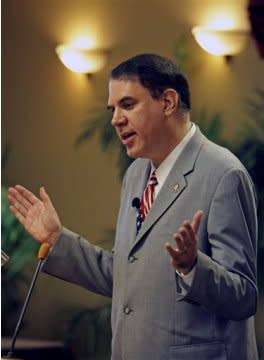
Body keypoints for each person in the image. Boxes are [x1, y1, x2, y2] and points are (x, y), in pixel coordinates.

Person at [8, 53, 258, 360]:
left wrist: (193, 268)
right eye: (112, 109)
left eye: (127, 105)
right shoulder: (137, 174)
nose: (115, 119)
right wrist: (57, 239)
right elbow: (127, 275)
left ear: (167, 102)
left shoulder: (223, 174)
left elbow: (244, 297)